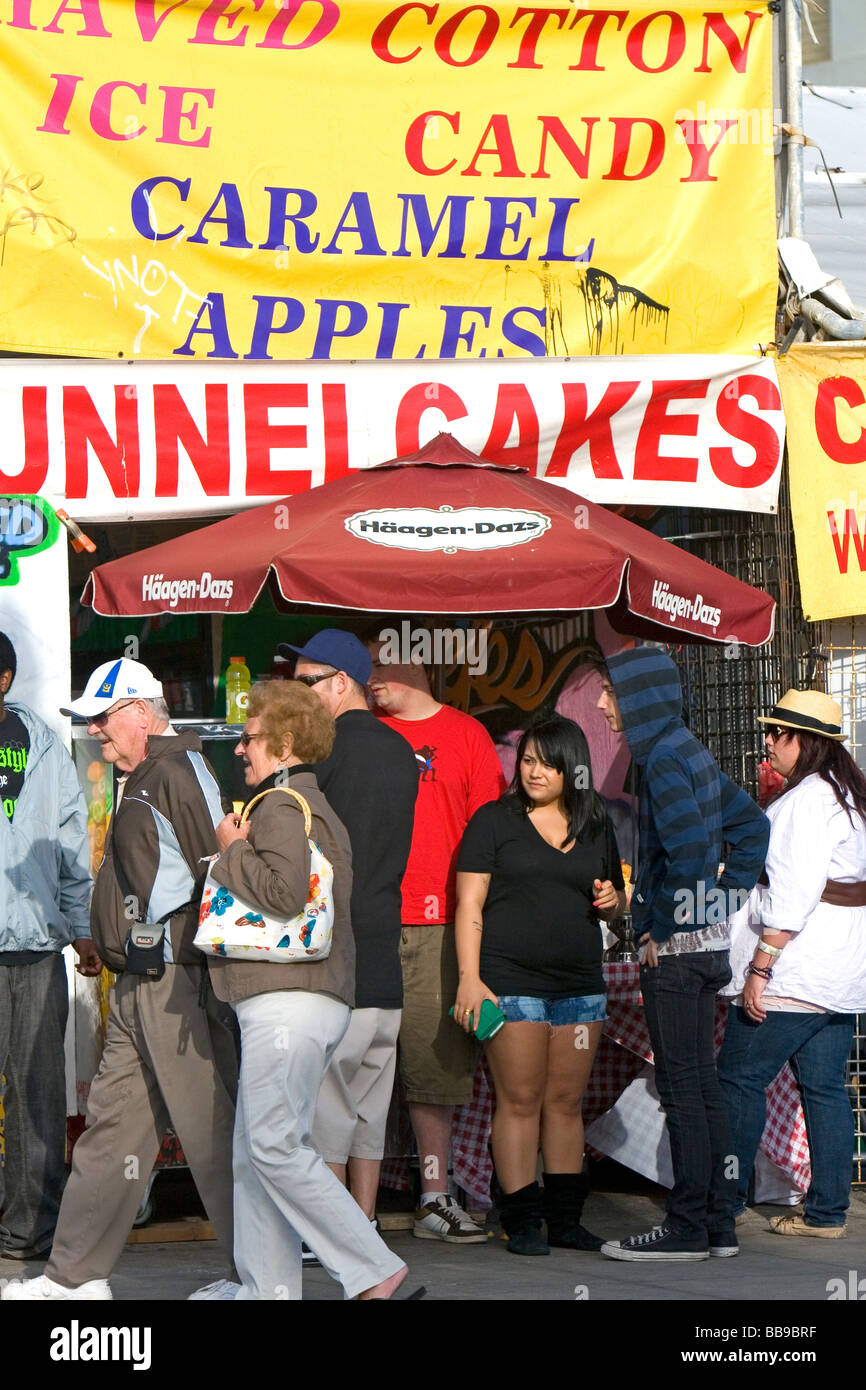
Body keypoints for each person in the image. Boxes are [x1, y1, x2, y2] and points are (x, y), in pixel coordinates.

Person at [3, 657, 238, 1301]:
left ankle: (262, 1276)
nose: (94, 736)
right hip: (142, 979)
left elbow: (219, 876)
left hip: (176, 980)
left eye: (102, 720)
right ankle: (74, 1279)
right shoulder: (148, 773)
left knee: (211, 1132)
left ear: (139, 711)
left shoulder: (178, 773)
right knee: (111, 1129)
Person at [205, 679, 411, 1300]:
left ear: (285, 742)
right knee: (256, 1153)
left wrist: (231, 851)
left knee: (272, 1144)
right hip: (309, 1000)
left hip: (285, 1002)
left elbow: (285, 893)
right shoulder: (316, 806)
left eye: (249, 737)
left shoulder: (278, 806)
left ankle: (373, 1267)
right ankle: (267, 1291)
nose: (240, 749)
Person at [594, 641, 769, 1262]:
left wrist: (661, 928)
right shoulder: (687, 748)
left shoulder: (663, 756)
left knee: (682, 1088)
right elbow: (753, 827)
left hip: (675, 953)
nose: (601, 702)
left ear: (639, 696)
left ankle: (688, 1226)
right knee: (702, 1087)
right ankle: (718, 1223)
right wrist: (719, 906)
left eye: (611, 692)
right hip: (708, 948)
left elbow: (693, 850)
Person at [454, 715, 626, 1255]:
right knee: (520, 1100)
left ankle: (567, 1220)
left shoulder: (596, 823)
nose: (533, 771)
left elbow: (619, 904)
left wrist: (613, 903)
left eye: (547, 763)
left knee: (565, 1102)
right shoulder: (493, 821)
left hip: (580, 984)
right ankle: (523, 1220)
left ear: (572, 768)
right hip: (511, 981)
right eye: (527, 759)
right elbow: (469, 906)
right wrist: (469, 980)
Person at [368, 632, 505, 1243]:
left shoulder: (468, 736)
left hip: (442, 922)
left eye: (380, 661)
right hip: (365, 917)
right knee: (357, 1066)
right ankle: (353, 1209)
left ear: (415, 659)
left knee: (434, 1066)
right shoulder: (358, 732)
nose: (370, 674)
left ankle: (433, 1196)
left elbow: (488, 834)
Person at [278, 630, 418, 1224]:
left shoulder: (322, 753)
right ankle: (361, 1229)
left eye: (306, 683)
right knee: (368, 1108)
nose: (298, 695)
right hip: (386, 947)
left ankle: (333, 1233)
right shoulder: (401, 751)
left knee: (328, 1107)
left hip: (335, 952)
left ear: (340, 684)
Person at [717, 689, 866, 1238]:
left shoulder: (807, 802)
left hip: (796, 971)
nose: (767, 741)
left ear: (802, 741)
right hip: (836, 971)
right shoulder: (846, 795)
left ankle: (724, 1201)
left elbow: (794, 894)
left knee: (736, 1078)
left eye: (775, 732)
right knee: (824, 1087)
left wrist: (759, 970)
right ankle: (827, 1214)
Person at [0, 632, 98, 1263]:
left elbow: (71, 849)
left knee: (36, 1094)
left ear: (3, 680)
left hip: (35, 950)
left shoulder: (44, 748)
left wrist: (82, 926)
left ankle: (29, 1230)